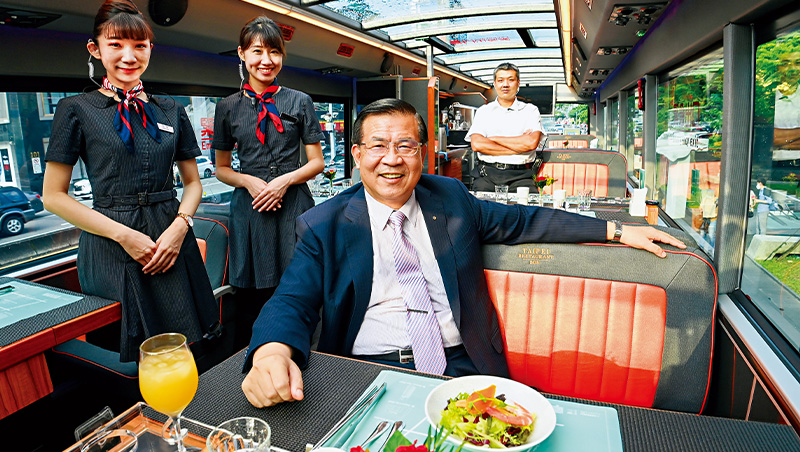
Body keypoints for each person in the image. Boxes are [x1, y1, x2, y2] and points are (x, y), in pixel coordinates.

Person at [240, 99, 686, 408]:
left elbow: (523, 221)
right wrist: (270, 354)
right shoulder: (324, 224)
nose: (391, 159)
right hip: (365, 369)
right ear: (357, 155)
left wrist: (616, 229)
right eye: (378, 146)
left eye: (405, 145)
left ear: (422, 153)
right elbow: (291, 300)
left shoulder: (450, 198)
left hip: (460, 362)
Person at [42, 0, 218, 362]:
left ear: (150, 48)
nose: (129, 55)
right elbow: (53, 196)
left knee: (184, 349)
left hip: (170, 236)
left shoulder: (171, 109)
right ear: (95, 49)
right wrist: (125, 236)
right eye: (116, 44)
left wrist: (180, 227)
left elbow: (193, 183)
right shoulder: (76, 109)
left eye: (139, 45)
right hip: (110, 242)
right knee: (131, 357)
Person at [212, 16, 325, 312]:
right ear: (242, 53)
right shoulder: (226, 107)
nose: (266, 60)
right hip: (251, 206)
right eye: (257, 51)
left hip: (293, 202)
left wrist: (283, 182)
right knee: (253, 298)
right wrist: (248, 181)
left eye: (274, 52)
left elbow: (317, 163)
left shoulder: (300, 101)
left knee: (300, 287)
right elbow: (221, 168)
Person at [466, 63, 543, 192]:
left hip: (522, 176)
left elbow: (531, 143)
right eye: (500, 80)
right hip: (486, 176)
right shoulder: (483, 111)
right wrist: (519, 146)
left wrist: (493, 139)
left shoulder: (530, 110)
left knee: (528, 205)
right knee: (479, 204)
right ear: (495, 83)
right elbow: (477, 144)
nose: (505, 84)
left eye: (511, 80)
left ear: (518, 83)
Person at [772, 49, 800, 161]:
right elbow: (766, 138)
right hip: (770, 165)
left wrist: (780, 143)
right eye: (785, 63)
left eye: (798, 63)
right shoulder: (766, 97)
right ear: (777, 67)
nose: (792, 69)